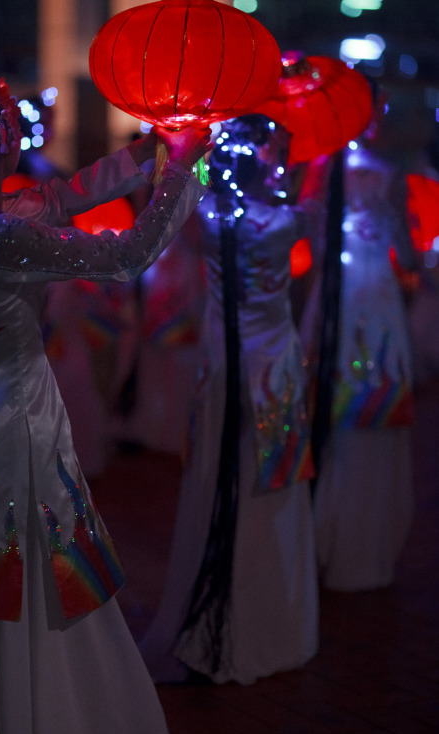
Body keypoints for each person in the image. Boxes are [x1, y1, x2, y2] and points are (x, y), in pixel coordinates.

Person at [0, 68, 211, 734]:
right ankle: (68, 725)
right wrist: (178, 172)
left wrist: (156, 145)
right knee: (49, 595)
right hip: (16, 435)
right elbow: (128, 255)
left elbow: (62, 197)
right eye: (7, 122)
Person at [138, 114, 327, 686]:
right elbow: (310, 212)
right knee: (271, 489)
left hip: (219, 370)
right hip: (274, 374)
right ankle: (269, 620)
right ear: (261, 158)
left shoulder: (211, 216)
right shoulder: (283, 222)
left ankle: (212, 607)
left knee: (218, 479)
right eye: (276, 150)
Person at [303, 85, 418, 591]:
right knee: (373, 421)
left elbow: (306, 240)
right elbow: (410, 259)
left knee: (324, 415)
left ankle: (321, 534)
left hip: (333, 301)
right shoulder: (391, 180)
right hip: (377, 308)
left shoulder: (322, 173)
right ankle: (365, 545)